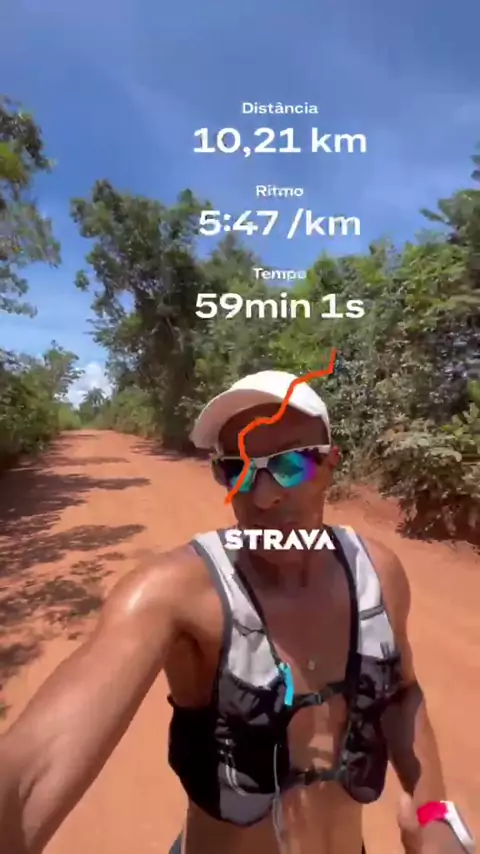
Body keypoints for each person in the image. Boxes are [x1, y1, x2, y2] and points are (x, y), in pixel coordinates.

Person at [0, 370, 474, 854]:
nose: (262, 496)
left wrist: (434, 813)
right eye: (237, 468)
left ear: (331, 463)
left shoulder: (377, 573)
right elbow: (32, 773)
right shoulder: (178, 594)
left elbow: (401, 693)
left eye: (289, 464)